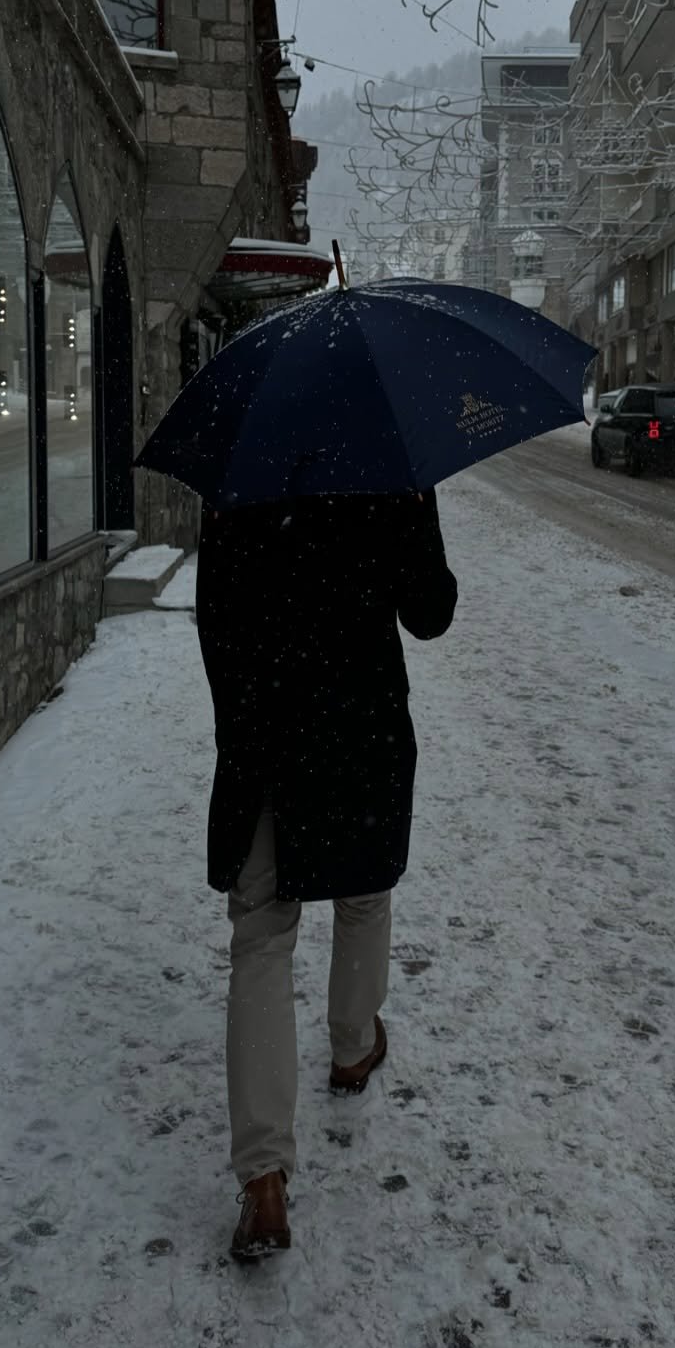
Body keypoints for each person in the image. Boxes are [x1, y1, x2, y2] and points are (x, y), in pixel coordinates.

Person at [195, 489, 458, 1262]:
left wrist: (243, 728)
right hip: (361, 723)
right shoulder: (387, 463)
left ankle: (265, 1177)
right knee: (364, 895)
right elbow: (430, 611)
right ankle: (351, 1044)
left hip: (268, 732)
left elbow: (216, 621)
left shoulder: (244, 469)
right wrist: (412, 516)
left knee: (262, 938)